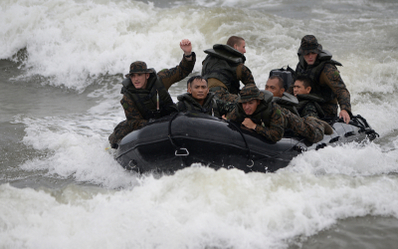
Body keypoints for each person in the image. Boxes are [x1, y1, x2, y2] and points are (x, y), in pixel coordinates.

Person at [108, 39, 196, 149]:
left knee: (187, 106)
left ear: (147, 75)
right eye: (133, 76)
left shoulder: (161, 80)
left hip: (169, 116)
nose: (136, 79)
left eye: (139, 75)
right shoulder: (128, 96)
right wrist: (151, 124)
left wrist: (187, 54)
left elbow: (182, 71)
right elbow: (134, 121)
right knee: (119, 131)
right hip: (146, 124)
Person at [227, 84, 332, 143]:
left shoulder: (274, 111)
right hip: (266, 124)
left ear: (258, 102)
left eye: (250, 103)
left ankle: (316, 122)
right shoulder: (239, 109)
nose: (247, 107)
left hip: (289, 120)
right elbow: (229, 121)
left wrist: (255, 127)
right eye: (244, 103)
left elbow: (276, 136)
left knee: (314, 135)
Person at [294, 35, 351, 123]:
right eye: (307, 54)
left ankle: (313, 127)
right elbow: (293, 86)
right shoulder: (301, 66)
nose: (310, 57)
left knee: (308, 107)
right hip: (304, 102)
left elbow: (341, 89)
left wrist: (345, 109)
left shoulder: (327, 69)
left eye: (313, 53)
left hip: (325, 109)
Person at [201, 36, 255, 103]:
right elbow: (252, 87)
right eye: (243, 47)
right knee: (246, 103)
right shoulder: (237, 65)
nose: (245, 51)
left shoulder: (209, 58)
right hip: (219, 96)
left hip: (202, 94)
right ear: (236, 46)